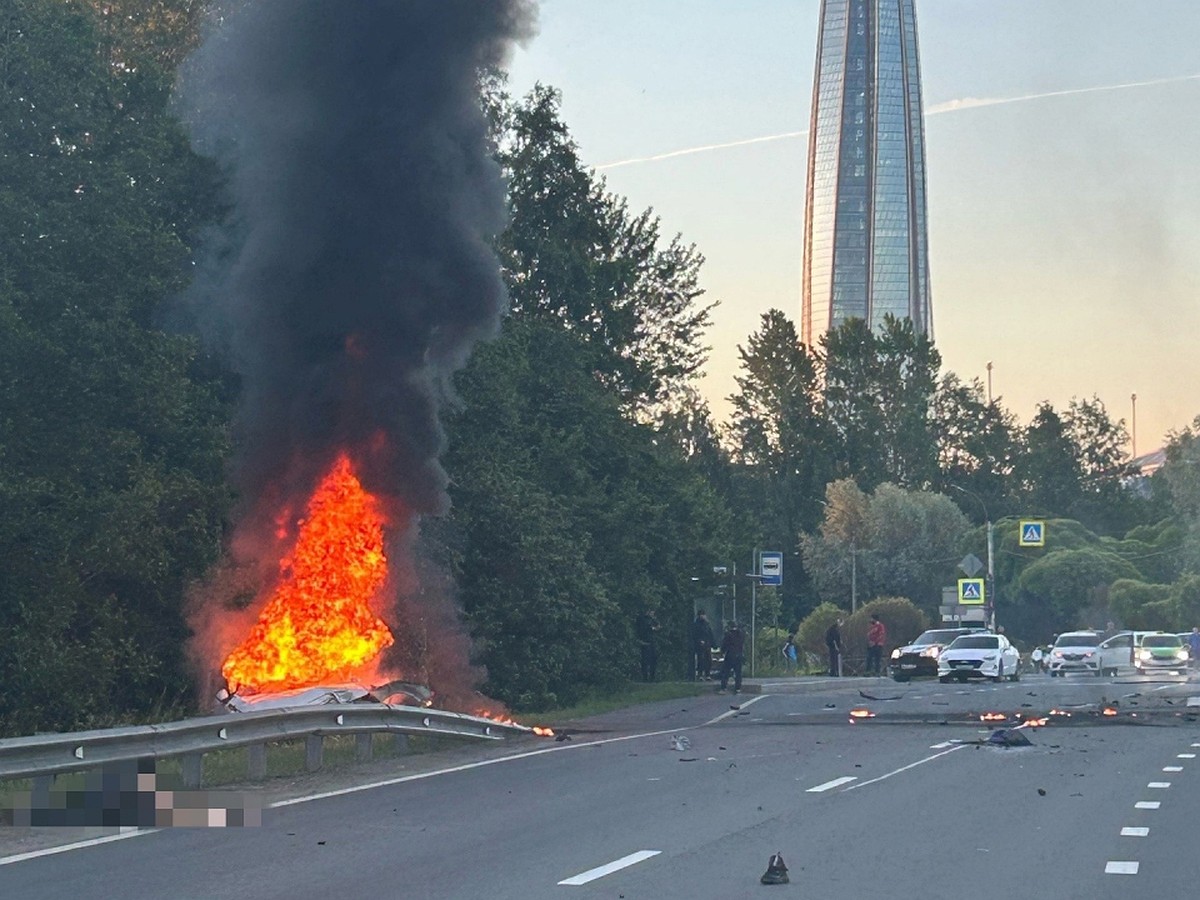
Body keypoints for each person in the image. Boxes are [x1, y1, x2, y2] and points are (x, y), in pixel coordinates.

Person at [718, 622, 746, 694]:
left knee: (726, 672)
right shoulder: (741, 634)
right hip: (739, 655)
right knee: (738, 673)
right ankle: (738, 688)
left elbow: (724, 644)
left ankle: (723, 687)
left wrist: (722, 652)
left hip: (730, 655)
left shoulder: (728, 634)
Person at [635, 608, 661, 682]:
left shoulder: (651, 619)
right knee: (645, 660)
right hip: (644, 641)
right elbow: (643, 629)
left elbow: (657, 625)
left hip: (651, 641)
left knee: (653, 659)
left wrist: (656, 627)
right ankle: (645, 677)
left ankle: (652, 677)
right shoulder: (641, 618)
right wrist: (652, 628)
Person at [691, 611, 716, 680]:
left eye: (703, 615)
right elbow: (694, 635)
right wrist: (699, 641)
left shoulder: (707, 624)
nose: (703, 616)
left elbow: (710, 634)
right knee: (701, 660)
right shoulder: (696, 625)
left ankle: (707, 674)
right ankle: (700, 674)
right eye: (701, 615)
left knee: (708, 660)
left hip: (707, 645)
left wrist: (713, 644)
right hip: (700, 645)